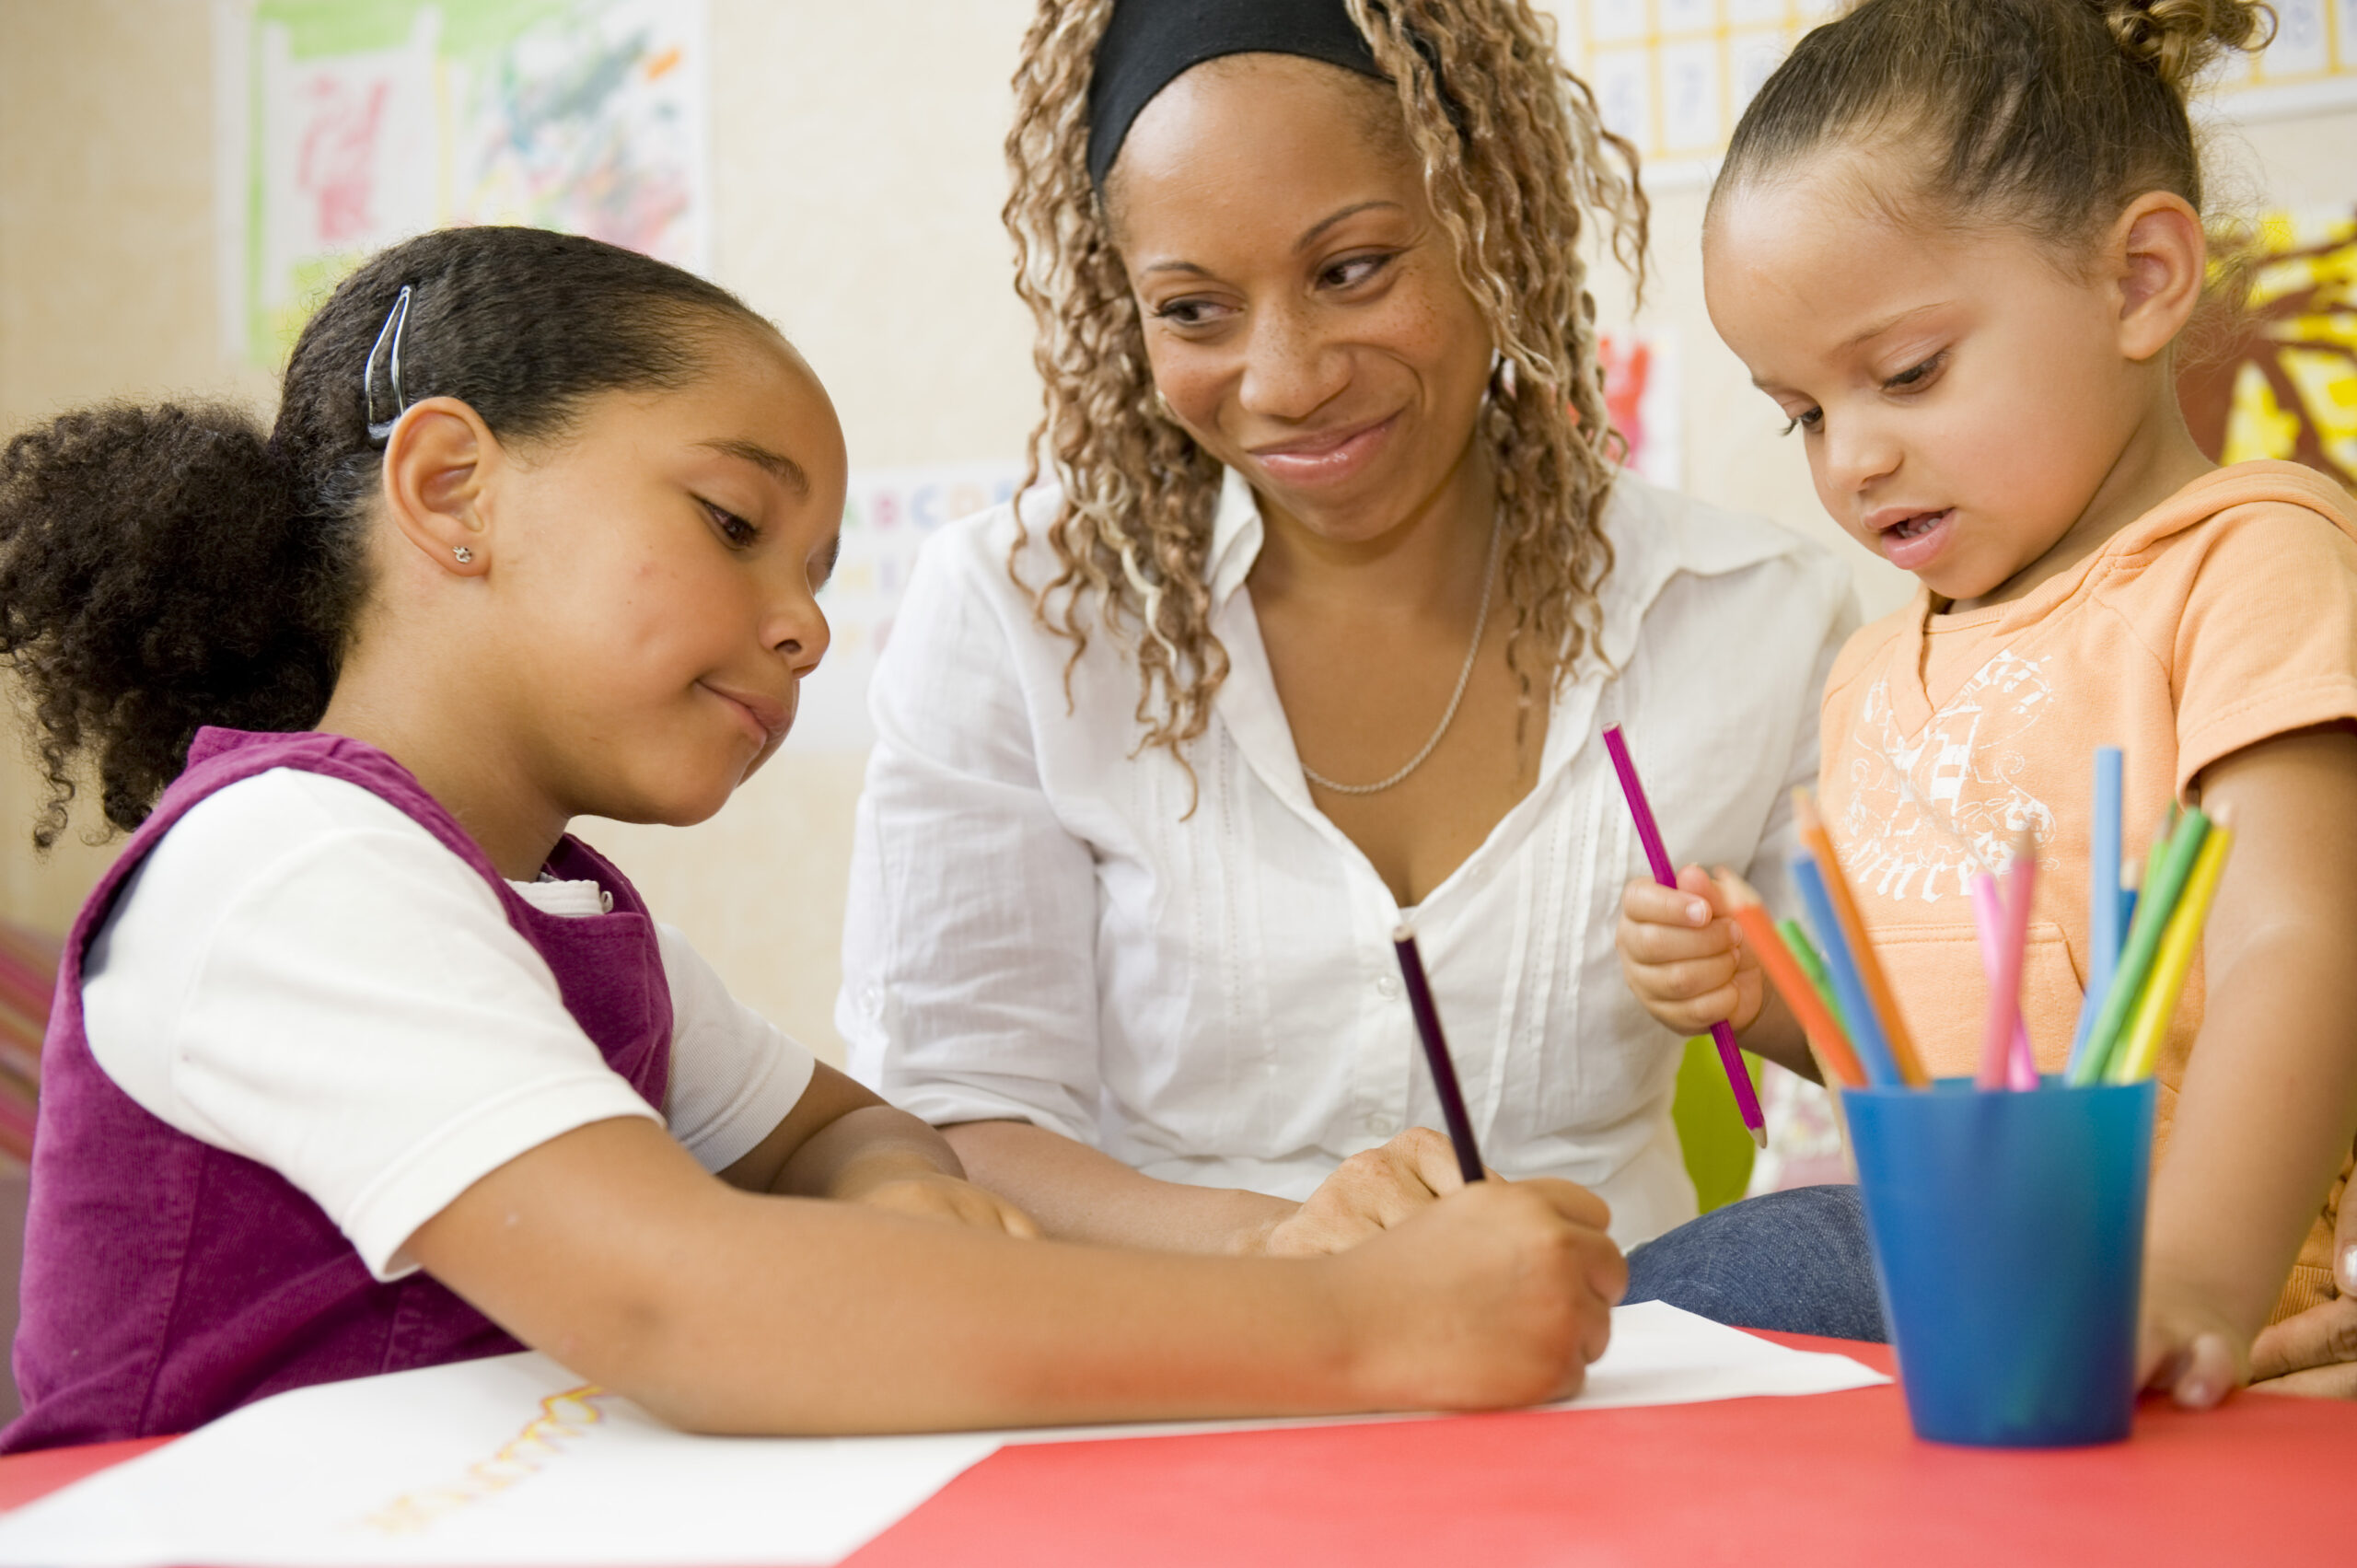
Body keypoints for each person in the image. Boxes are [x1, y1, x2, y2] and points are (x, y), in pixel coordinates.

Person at [0, 226, 1626, 1452]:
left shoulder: (549, 904)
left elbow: (840, 1130)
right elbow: (685, 1302)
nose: (804, 630)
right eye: (733, 525)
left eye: (822, 574)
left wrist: (891, 1197)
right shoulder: (289, 869)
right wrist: (1351, 1324)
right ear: (450, 489)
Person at [842, 0, 1859, 1301]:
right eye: (1195, 309)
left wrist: (1775, 994)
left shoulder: (1756, 614)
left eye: (1351, 270)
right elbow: (954, 1126)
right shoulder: (1019, 613)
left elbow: (1922, 1043)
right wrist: (1275, 1248)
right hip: (1190, 1366)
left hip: (1625, 1373)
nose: (1286, 379)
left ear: (1490, 225)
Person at [1620, 0, 2357, 1404]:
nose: (1853, 460)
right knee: (1681, 1302)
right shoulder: (1874, 670)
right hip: (1967, 1307)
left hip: (2185, 1314)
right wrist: (1776, 1000)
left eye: (1907, 374)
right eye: (1805, 413)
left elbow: (2301, 942)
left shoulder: (2247, 563)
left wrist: (2194, 1278)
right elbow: (1922, 1062)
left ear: (2141, 279)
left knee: (1703, 1288)